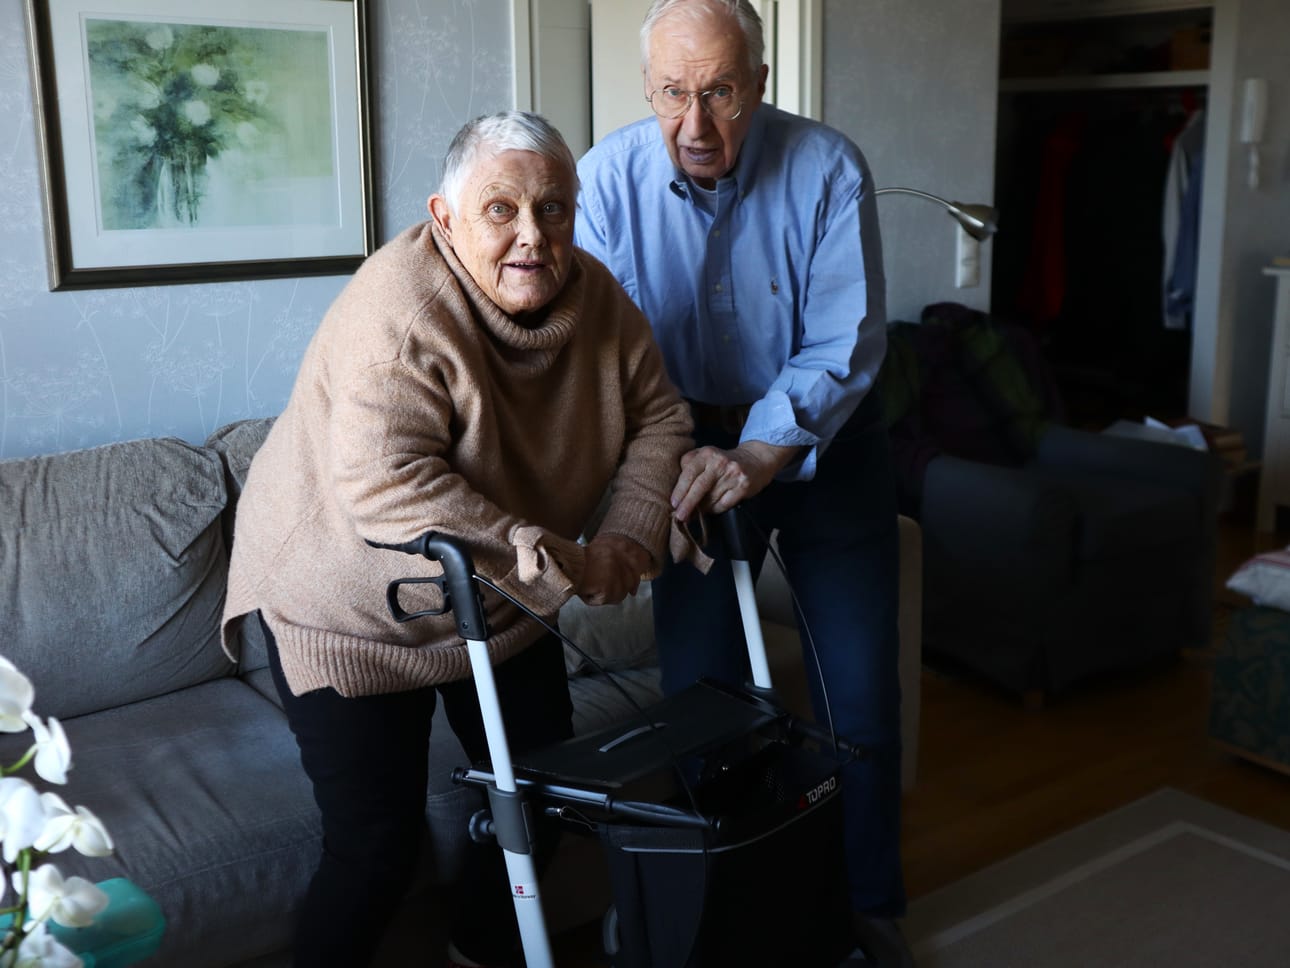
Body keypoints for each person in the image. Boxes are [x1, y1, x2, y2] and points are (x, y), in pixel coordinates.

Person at [221, 111, 698, 968]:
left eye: (553, 209)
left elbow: (660, 415)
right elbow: (384, 482)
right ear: (444, 217)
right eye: (500, 210)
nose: (532, 237)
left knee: (542, 798)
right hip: (347, 607)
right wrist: (547, 552)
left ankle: (477, 949)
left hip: (499, 595)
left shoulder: (596, 297)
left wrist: (629, 531)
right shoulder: (398, 313)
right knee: (375, 848)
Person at [574, 1, 913, 964]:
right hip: (683, 451)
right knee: (702, 701)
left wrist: (763, 452)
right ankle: (718, 903)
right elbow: (608, 354)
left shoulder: (830, 168)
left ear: (758, 83)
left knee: (858, 699)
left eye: (719, 91)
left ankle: (867, 912)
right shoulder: (602, 183)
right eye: (675, 94)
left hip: (823, 445)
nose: (696, 124)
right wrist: (668, 452)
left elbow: (844, 342)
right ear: (648, 91)